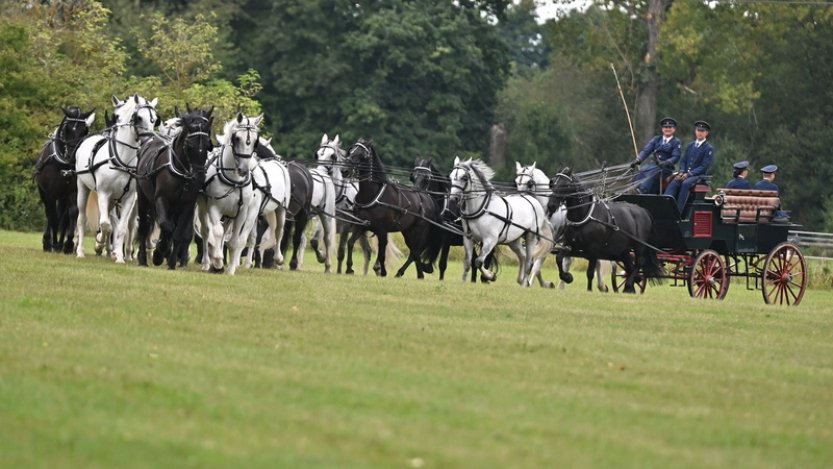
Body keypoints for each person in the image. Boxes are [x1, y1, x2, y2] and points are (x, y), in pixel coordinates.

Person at [663, 120, 715, 213]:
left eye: (702, 131)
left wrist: (689, 174)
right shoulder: (690, 145)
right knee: (675, 181)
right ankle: (665, 206)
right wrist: (682, 171)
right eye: (698, 130)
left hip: (697, 175)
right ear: (695, 131)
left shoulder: (708, 148)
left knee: (685, 184)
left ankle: (678, 211)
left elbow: (704, 166)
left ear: (706, 133)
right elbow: (683, 160)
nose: (700, 133)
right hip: (685, 173)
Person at [630, 117, 682, 194]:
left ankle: (643, 191)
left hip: (665, 168)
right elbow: (646, 150)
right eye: (665, 127)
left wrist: (666, 162)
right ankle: (633, 188)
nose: (667, 129)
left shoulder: (676, 142)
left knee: (653, 173)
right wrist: (638, 159)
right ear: (662, 129)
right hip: (653, 165)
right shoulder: (656, 139)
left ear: (674, 129)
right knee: (641, 170)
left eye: (670, 127)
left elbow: (676, 156)